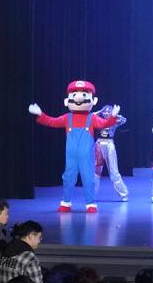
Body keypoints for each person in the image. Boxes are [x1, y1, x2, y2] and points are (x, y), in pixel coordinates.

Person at [29, 80, 117, 212]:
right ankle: (66, 202)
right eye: (74, 94)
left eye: (84, 94)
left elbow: (104, 124)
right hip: (71, 156)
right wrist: (40, 114)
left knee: (88, 178)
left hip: (86, 156)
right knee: (68, 178)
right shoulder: (67, 117)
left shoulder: (92, 118)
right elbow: (52, 121)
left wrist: (112, 117)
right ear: (67, 101)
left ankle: (90, 203)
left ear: (94, 100)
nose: (79, 97)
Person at [92, 104, 129, 202]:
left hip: (109, 145)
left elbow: (124, 120)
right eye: (105, 111)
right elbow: (91, 116)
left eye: (108, 111)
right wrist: (100, 111)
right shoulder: (98, 120)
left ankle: (124, 194)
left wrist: (115, 114)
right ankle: (92, 195)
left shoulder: (114, 121)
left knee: (114, 170)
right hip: (99, 144)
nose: (106, 113)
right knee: (96, 171)